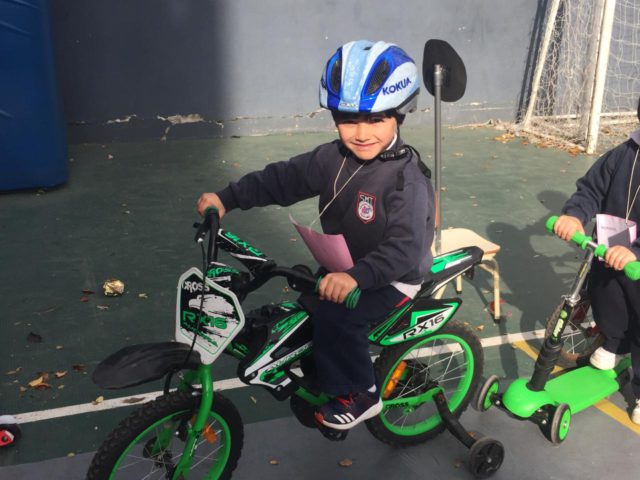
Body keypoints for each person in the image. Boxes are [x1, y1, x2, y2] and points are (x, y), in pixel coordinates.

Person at [197, 40, 434, 430]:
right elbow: (282, 179)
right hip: (343, 266)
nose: (361, 133)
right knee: (306, 316)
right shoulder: (332, 158)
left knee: (339, 317)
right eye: (348, 120)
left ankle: (362, 393)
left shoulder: (405, 180)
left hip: (391, 277)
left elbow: (404, 249)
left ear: (400, 115)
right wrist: (227, 198)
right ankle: (323, 376)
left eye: (376, 120)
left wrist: (356, 277)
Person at [553, 99, 640, 424]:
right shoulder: (623, 155)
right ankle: (616, 344)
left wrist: (636, 253)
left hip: (636, 259)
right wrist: (575, 215)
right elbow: (591, 189)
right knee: (606, 297)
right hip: (610, 249)